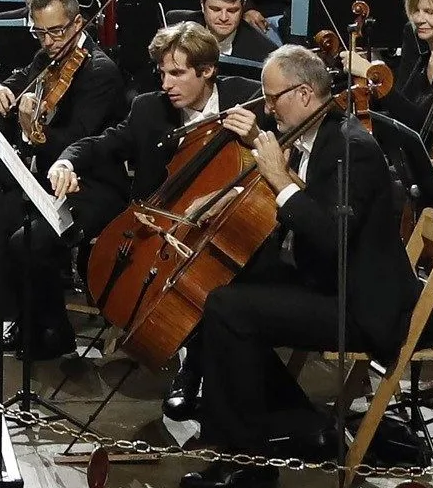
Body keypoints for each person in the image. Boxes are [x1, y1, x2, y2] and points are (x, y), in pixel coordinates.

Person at [178, 43, 418, 488]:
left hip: (359, 306)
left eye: (273, 98)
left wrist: (278, 180)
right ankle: (295, 424)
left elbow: (333, 236)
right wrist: (230, 196)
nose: (266, 109)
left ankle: (244, 464)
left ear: (306, 94)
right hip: (325, 279)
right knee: (225, 281)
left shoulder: (351, 147)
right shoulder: (315, 133)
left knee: (230, 309)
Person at [0, 0, 127, 357]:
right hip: (46, 184)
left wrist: (32, 131)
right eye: (40, 32)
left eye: (57, 31)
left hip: (91, 186)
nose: (50, 41)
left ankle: (53, 330)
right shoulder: (47, 59)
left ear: (78, 22)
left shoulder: (101, 72)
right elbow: (14, 82)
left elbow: (77, 143)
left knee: (27, 241)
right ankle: (21, 320)